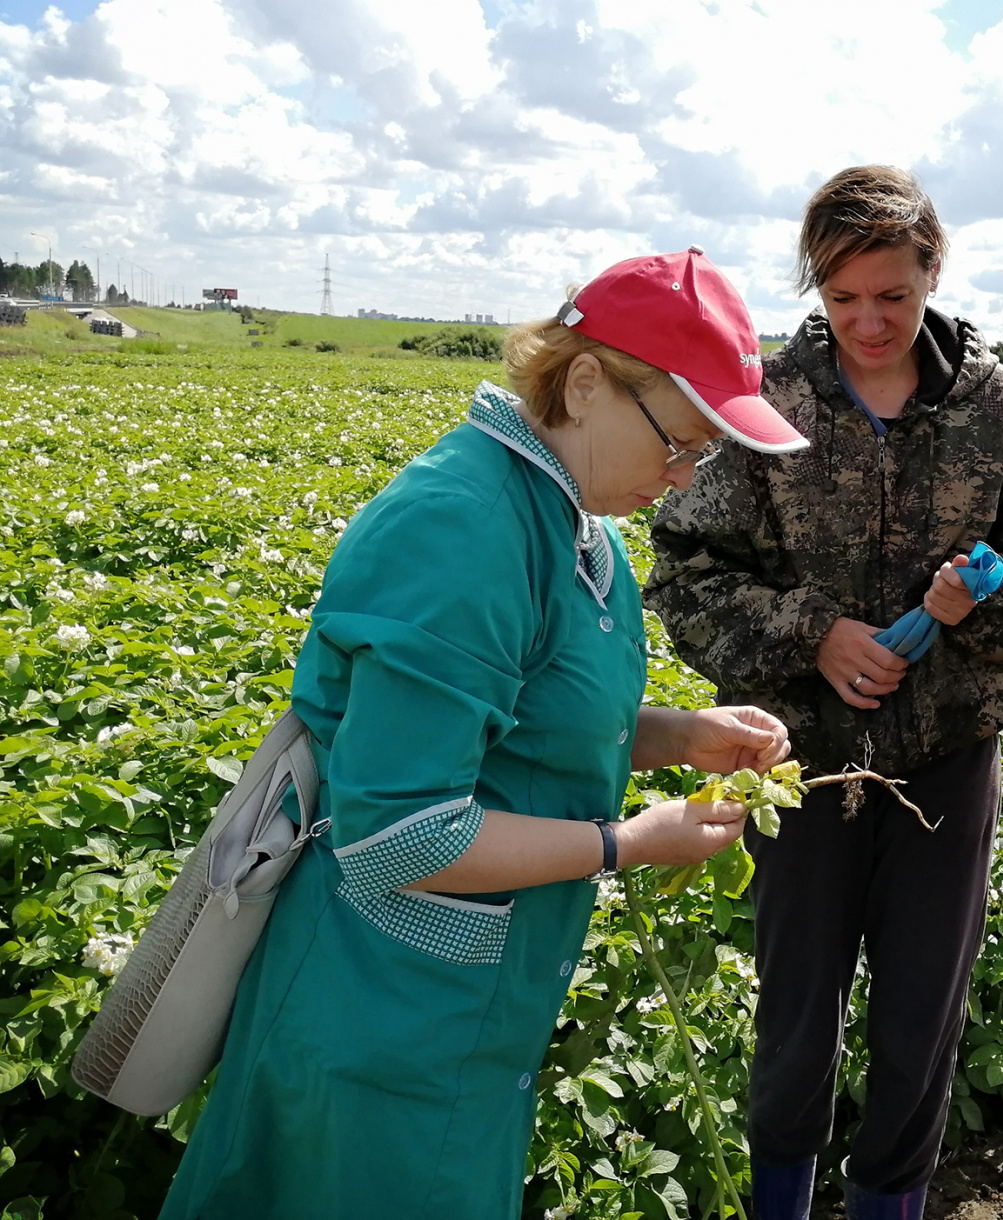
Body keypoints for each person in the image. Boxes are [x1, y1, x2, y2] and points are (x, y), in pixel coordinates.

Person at [158, 249, 806, 1220]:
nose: (679, 478)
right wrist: (627, 843)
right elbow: (400, 836)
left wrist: (683, 733)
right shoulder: (461, 528)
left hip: (461, 1020)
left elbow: (525, 722)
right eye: (677, 441)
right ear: (584, 382)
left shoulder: (571, 522)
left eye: (701, 454)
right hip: (379, 1026)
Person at [645, 166, 1003, 1220]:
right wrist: (817, 635)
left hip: (947, 759)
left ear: (934, 272)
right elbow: (686, 572)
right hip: (798, 760)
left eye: (893, 294)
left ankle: (890, 1201)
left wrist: (986, 598)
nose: (868, 321)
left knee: (922, 1016)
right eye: (843, 298)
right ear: (816, 287)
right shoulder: (770, 406)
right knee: (795, 1015)